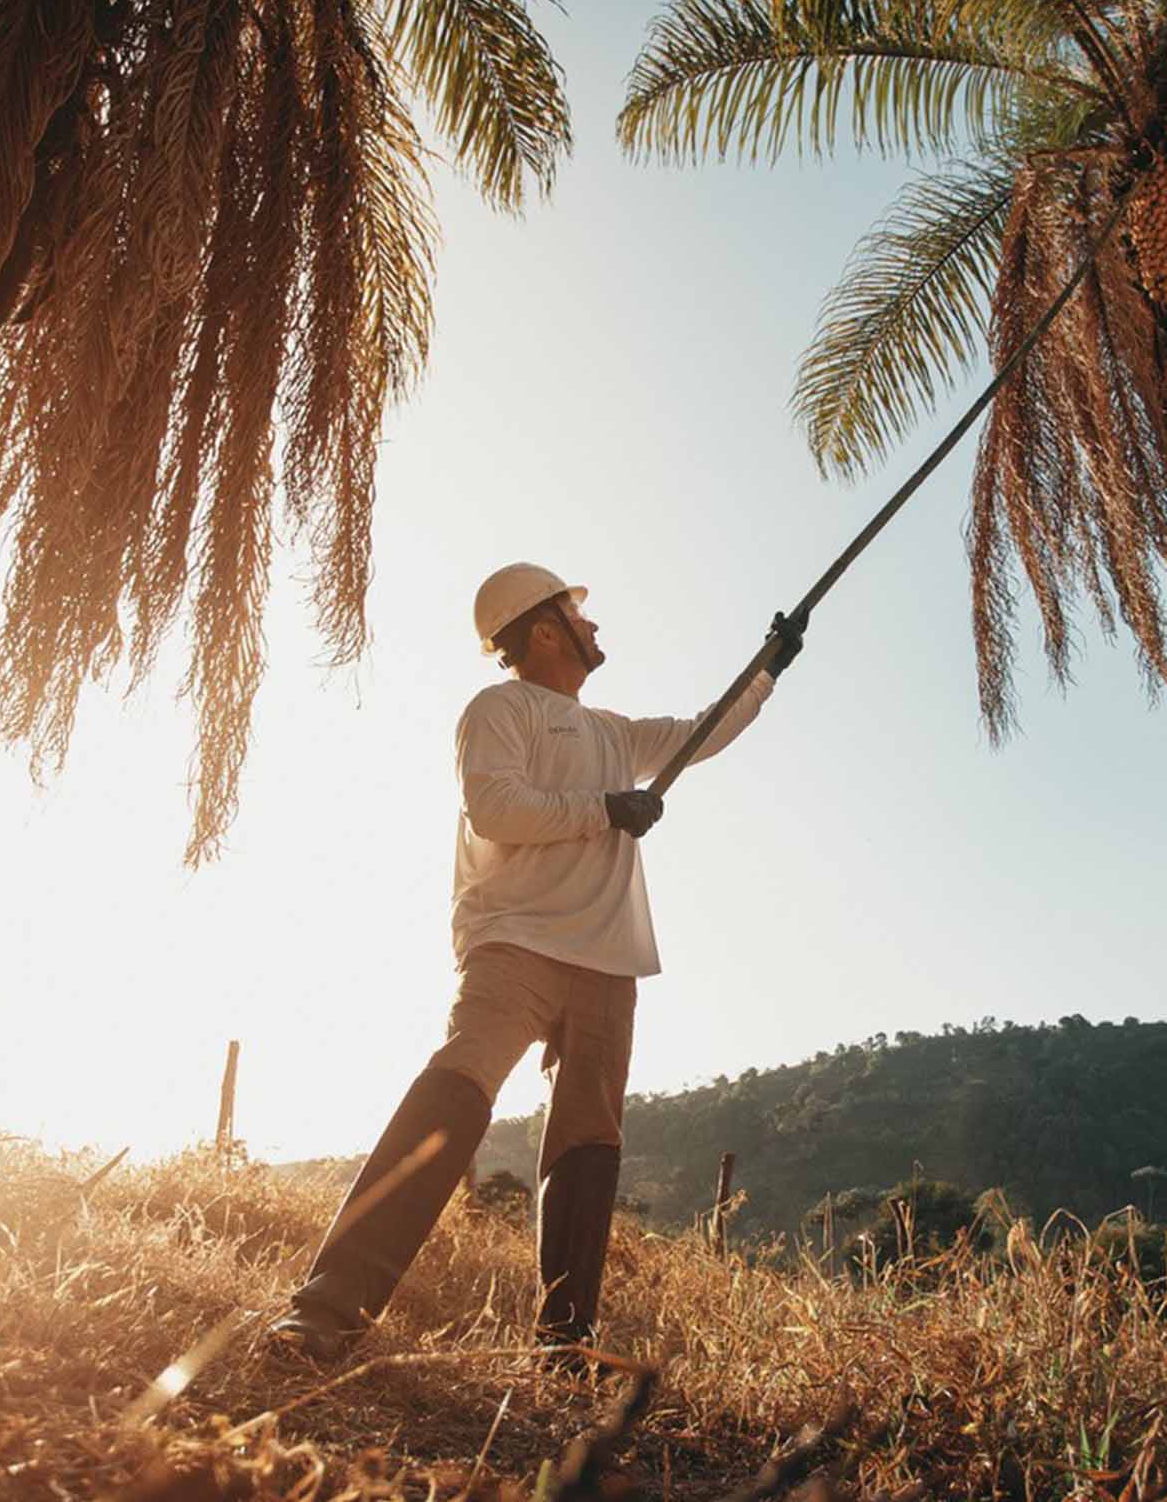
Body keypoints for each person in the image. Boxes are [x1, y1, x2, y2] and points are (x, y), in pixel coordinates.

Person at [271, 563, 805, 1363]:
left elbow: (705, 728)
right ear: (544, 629)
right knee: (459, 1084)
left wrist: (767, 668)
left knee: (590, 1138)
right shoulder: (499, 709)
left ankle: (566, 1342)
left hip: (606, 963)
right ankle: (328, 1307)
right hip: (515, 943)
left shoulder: (617, 733)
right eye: (578, 615)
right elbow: (496, 806)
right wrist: (603, 809)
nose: (595, 628)